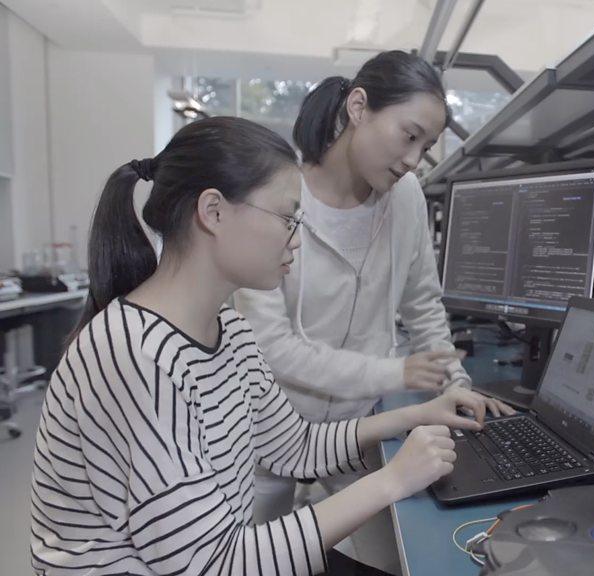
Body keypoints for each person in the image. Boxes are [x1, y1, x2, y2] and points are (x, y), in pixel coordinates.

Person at [30, 116, 489, 575]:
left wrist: (418, 413)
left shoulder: (229, 330)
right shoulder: (135, 356)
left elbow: (296, 447)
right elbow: (211, 566)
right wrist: (393, 480)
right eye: (288, 218)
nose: (297, 241)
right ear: (213, 212)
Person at [233, 50, 514, 561]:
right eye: (409, 136)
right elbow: (271, 348)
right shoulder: (279, 199)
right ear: (358, 107)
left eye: (426, 147)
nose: (413, 159)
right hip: (267, 435)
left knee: (392, 559)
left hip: (355, 433)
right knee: (253, 562)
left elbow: (424, 306)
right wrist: (397, 372)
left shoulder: (405, 197)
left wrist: (458, 389)